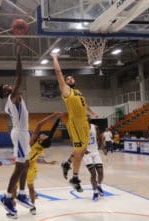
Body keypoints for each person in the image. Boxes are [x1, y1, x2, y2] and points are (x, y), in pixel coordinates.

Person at [0, 44, 34, 218]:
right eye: (6, 87)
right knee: (19, 166)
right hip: (19, 133)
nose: (9, 87)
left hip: (23, 133)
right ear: (6, 93)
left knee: (26, 164)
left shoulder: (12, 101)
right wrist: (18, 56)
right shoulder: (13, 97)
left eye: (8, 86)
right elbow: (19, 77)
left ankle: (21, 193)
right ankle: (7, 197)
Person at [9, 112, 62, 217]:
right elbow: (52, 132)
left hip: (23, 166)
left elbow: (39, 125)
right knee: (30, 187)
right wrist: (58, 120)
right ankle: (32, 207)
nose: (44, 134)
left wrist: (53, 116)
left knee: (14, 188)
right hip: (32, 167)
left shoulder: (33, 142)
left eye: (44, 136)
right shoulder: (42, 146)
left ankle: (13, 209)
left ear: (41, 140)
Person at [51, 52, 90, 192]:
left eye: (71, 77)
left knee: (83, 149)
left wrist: (90, 112)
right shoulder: (66, 91)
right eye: (67, 78)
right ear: (65, 83)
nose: (69, 79)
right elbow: (58, 73)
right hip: (76, 124)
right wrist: (55, 58)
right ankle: (74, 177)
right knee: (79, 151)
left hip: (84, 123)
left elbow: (83, 106)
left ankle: (67, 164)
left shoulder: (78, 92)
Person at [61, 118, 105, 200]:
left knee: (101, 172)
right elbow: (76, 143)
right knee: (93, 174)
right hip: (86, 154)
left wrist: (102, 147)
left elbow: (100, 136)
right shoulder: (79, 130)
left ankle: (99, 186)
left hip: (95, 152)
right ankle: (95, 192)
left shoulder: (95, 127)